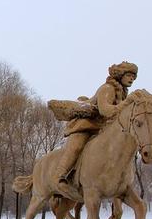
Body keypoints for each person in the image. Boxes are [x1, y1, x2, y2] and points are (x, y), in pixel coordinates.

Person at [53, 61, 138, 200]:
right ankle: (60, 177)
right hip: (86, 125)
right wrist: (126, 104)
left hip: (102, 129)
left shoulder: (123, 93)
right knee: (76, 148)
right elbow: (106, 111)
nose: (131, 79)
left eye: (133, 77)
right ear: (120, 75)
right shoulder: (107, 88)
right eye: (129, 75)